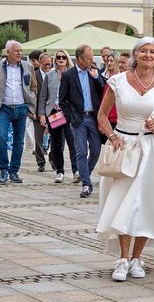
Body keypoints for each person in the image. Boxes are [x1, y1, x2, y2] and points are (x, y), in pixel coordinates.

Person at [96, 37, 154, 282]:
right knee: (124, 203)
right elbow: (102, 115)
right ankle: (122, 259)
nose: (148, 55)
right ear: (136, 55)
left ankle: (137, 257)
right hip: (124, 147)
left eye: (152, 52)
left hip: (153, 150)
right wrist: (112, 135)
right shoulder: (117, 81)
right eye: (144, 51)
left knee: (148, 203)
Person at [0, 40, 38, 185]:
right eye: (16, 51)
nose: (20, 53)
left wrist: (31, 105)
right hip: (4, 108)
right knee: (1, 138)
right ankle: (3, 170)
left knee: (19, 142)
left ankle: (13, 171)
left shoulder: (28, 66)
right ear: (8, 52)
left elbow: (34, 86)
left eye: (20, 50)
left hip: (21, 108)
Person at [59, 44, 105, 198]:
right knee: (81, 151)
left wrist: (97, 77)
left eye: (92, 58)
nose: (92, 61)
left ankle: (85, 172)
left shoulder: (95, 72)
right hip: (78, 119)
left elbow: (104, 91)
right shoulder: (68, 75)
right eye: (89, 58)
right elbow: (62, 100)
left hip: (93, 117)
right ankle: (86, 184)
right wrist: (70, 117)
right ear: (79, 59)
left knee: (96, 150)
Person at [38, 50, 79, 184]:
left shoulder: (73, 74)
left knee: (72, 142)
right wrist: (42, 113)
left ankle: (76, 171)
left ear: (67, 59)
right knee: (56, 144)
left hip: (68, 112)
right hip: (54, 113)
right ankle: (60, 171)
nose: (61, 59)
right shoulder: (50, 75)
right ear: (55, 60)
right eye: (58, 57)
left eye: (64, 57)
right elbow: (43, 96)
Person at [33, 52, 53, 172]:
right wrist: (32, 111)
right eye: (45, 64)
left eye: (49, 64)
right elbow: (31, 95)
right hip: (38, 112)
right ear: (40, 63)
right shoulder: (34, 76)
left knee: (56, 139)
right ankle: (41, 162)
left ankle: (53, 159)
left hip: (53, 112)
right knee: (39, 139)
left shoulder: (54, 75)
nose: (47, 67)